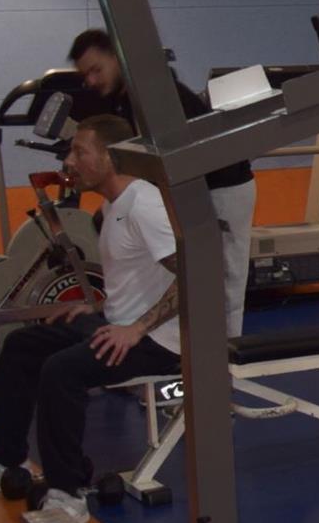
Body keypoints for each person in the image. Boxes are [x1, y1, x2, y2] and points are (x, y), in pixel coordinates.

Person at [0, 117, 182, 522]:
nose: (69, 161)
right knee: (22, 345)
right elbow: (141, 278)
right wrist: (99, 308)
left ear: (110, 157)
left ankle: (67, 492)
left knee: (61, 371)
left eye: (79, 151)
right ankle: (8, 462)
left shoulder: (145, 204)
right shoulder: (113, 204)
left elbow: (196, 273)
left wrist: (136, 329)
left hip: (160, 341)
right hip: (121, 325)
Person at [67, 29, 257, 337]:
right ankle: (185, 349)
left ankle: (225, 356)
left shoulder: (156, 95)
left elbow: (163, 159)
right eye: (85, 74)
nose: (90, 80)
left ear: (117, 58)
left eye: (96, 70)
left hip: (223, 186)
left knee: (223, 282)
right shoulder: (124, 99)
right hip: (190, 188)